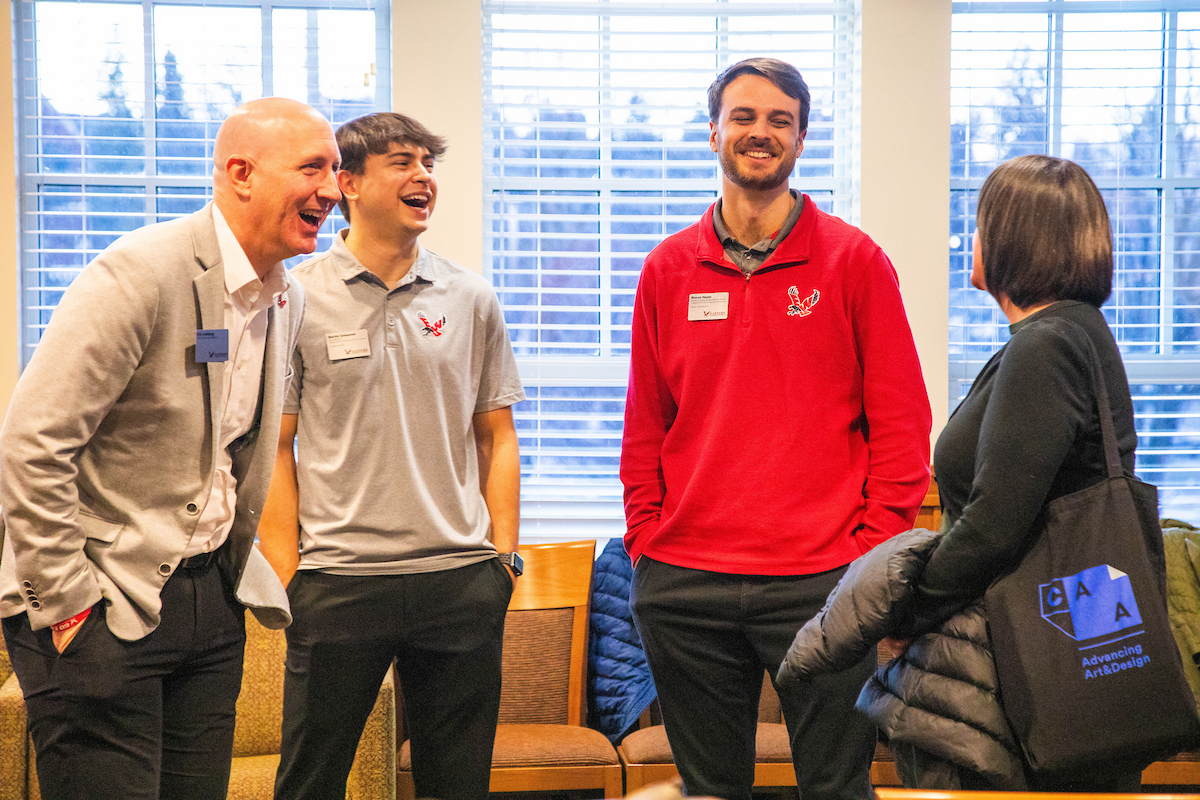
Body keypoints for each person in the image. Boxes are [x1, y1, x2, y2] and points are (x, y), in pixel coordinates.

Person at [0, 97, 340, 799]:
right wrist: (67, 607)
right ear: (241, 173)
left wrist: (224, 588)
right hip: (97, 600)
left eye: (336, 170)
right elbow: (32, 446)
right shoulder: (139, 273)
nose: (334, 191)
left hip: (208, 604)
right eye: (314, 168)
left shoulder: (286, 298)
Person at [620, 57, 932, 800]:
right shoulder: (667, 269)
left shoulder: (854, 263)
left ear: (800, 139)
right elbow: (644, 425)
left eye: (780, 121)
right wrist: (648, 542)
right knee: (710, 791)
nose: (761, 133)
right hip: (685, 583)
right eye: (744, 117)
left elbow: (902, 427)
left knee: (835, 787)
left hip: (823, 584)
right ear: (714, 133)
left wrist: (865, 558)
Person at [259, 111, 524, 800]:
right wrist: (290, 572)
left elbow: (496, 435)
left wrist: (502, 558)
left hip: (459, 580)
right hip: (338, 581)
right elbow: (277, 448)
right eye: (403, 162)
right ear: (348, 183)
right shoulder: (293, 298)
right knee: (309, 780)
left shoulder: (470, 297)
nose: (423, 177)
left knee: (457, 783)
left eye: (428, 164)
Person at [876, 154, 1144, 792]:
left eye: (979, 223)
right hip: (1061, 647)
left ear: (1013, 241)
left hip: (1021, 668)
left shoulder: (1045, 346)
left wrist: (901, 613)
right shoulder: (1074, 333)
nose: (970, 239)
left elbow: (994, 525)